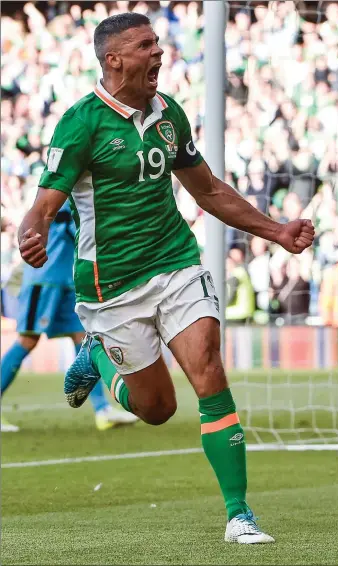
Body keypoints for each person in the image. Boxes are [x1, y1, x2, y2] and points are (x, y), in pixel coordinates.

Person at [18, 13, 315, 544]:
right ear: (114, 60)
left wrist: (276, 230)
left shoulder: (168, 113)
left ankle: (239, 514)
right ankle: (101, 356)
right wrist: (31, 234)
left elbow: (208, 191)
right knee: (157, 409)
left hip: (175, 261)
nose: (160, 53)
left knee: (209, 370)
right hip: (112, 286)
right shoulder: (81, 123)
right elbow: (44, 203)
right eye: (145, 45)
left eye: (158, 43)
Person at [1, 201, 138, 432]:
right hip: (44, 280)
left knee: (84, 339)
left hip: (66, 282)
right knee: (27, 340)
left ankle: (102, 410)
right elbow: (74, 232)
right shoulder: (63, 196)